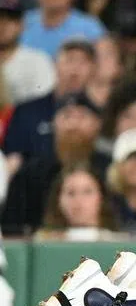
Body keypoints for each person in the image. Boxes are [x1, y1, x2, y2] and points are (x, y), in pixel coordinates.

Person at [2, 91, 106, 235]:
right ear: (54, 124)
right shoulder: (30, 174)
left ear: (97, 124)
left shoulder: (108, 170)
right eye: (66, 116)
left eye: (82, 116)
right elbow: (12, 231)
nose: (73, 125)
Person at [4, 38, 95, 165]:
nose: (75, 69)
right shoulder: (26, 111)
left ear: (93, 69)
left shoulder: (100, 113)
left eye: (83, 62)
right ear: (55, 64)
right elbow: (12, 157)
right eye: (70, 60)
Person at [36, 161, 120, 241]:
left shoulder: (119, 244)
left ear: (101, 198)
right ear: (58, 200)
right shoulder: (43, 243)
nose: (78, 200)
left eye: (87, 192)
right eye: (71, 193)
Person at [0, 0, 54, 106]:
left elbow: (44, 103)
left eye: (10, 20)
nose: (2, 26)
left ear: (22, 25)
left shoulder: (37, 60)